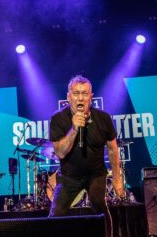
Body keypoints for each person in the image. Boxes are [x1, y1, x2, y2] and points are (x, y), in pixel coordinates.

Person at [48, 75, 125, 237]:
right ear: (68, 97)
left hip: (95, 174)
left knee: (100, 208)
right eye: (76, 93)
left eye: (85, 93)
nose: (80, 98)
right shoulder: (58, 119)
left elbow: (112, 149)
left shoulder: (103, 118)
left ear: (91, 97)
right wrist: (74, 129)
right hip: (69, 176)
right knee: (56, 214)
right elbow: (60, 152)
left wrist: (117, 178)